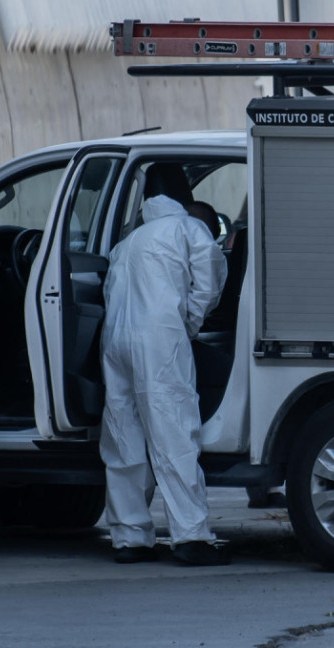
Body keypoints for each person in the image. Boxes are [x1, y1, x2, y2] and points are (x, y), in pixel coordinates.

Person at [99, 193, 230, 566]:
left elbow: (111, 292)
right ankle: (190, 537)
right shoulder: (188, 228)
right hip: (159, 340)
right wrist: (186, 325)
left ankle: (129, 538)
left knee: (124, 441)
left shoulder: (128, 242)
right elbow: (209, 281)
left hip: (116, 340)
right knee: (173, 435)